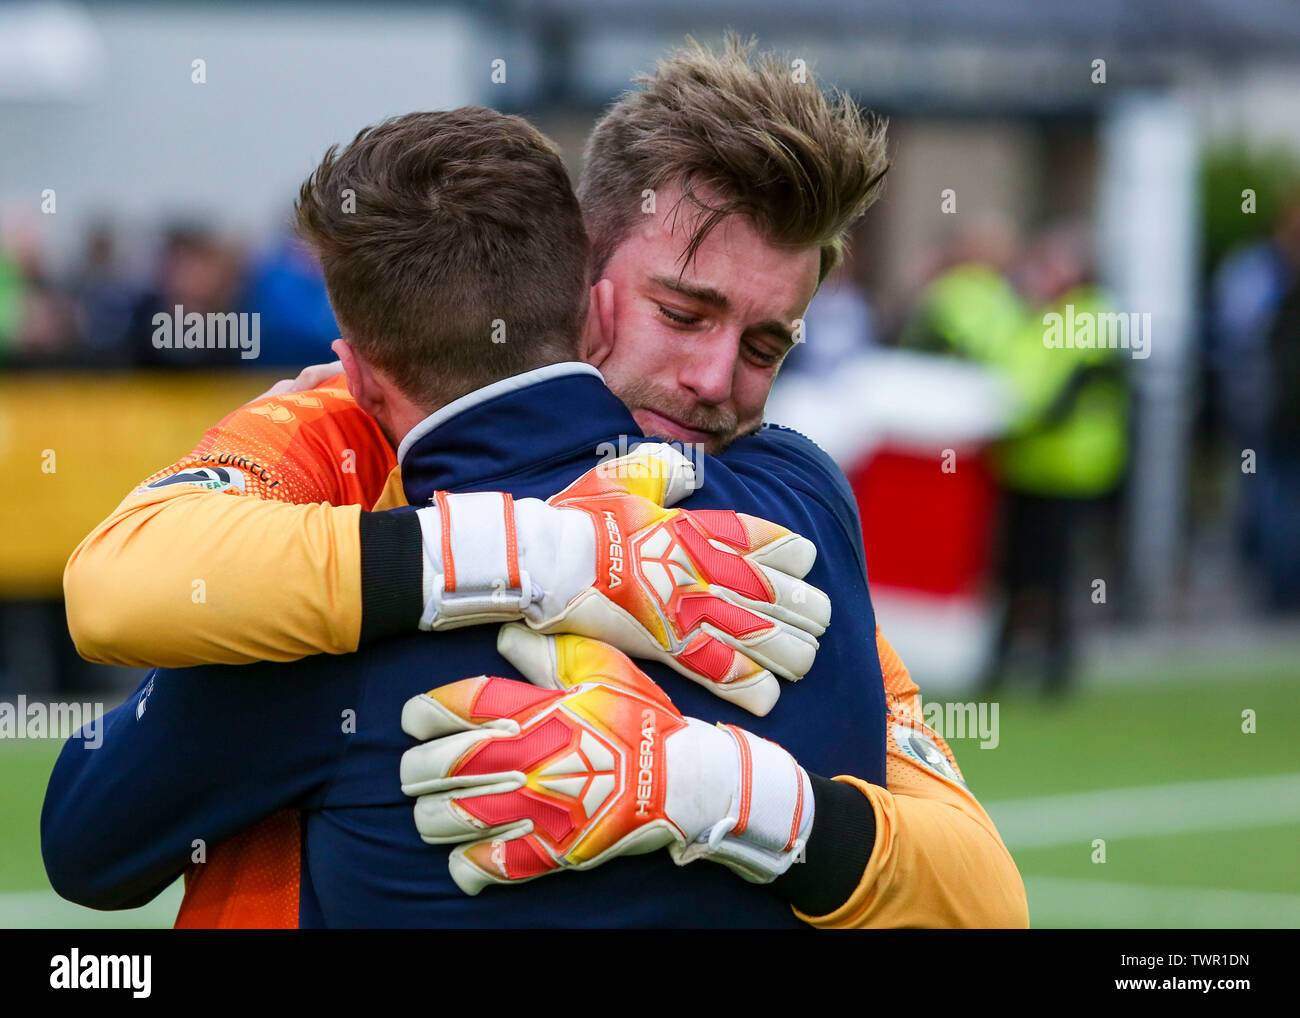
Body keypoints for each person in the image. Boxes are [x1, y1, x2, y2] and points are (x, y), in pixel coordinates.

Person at [52, 41, 1025, 928]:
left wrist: (724, 792)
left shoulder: (785, 507)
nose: (716, 381)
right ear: (575, 281)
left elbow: (983, 898)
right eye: (684, 313)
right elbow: (116, 586)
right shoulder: (352, 431)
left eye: (766, 345)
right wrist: (554, 556)